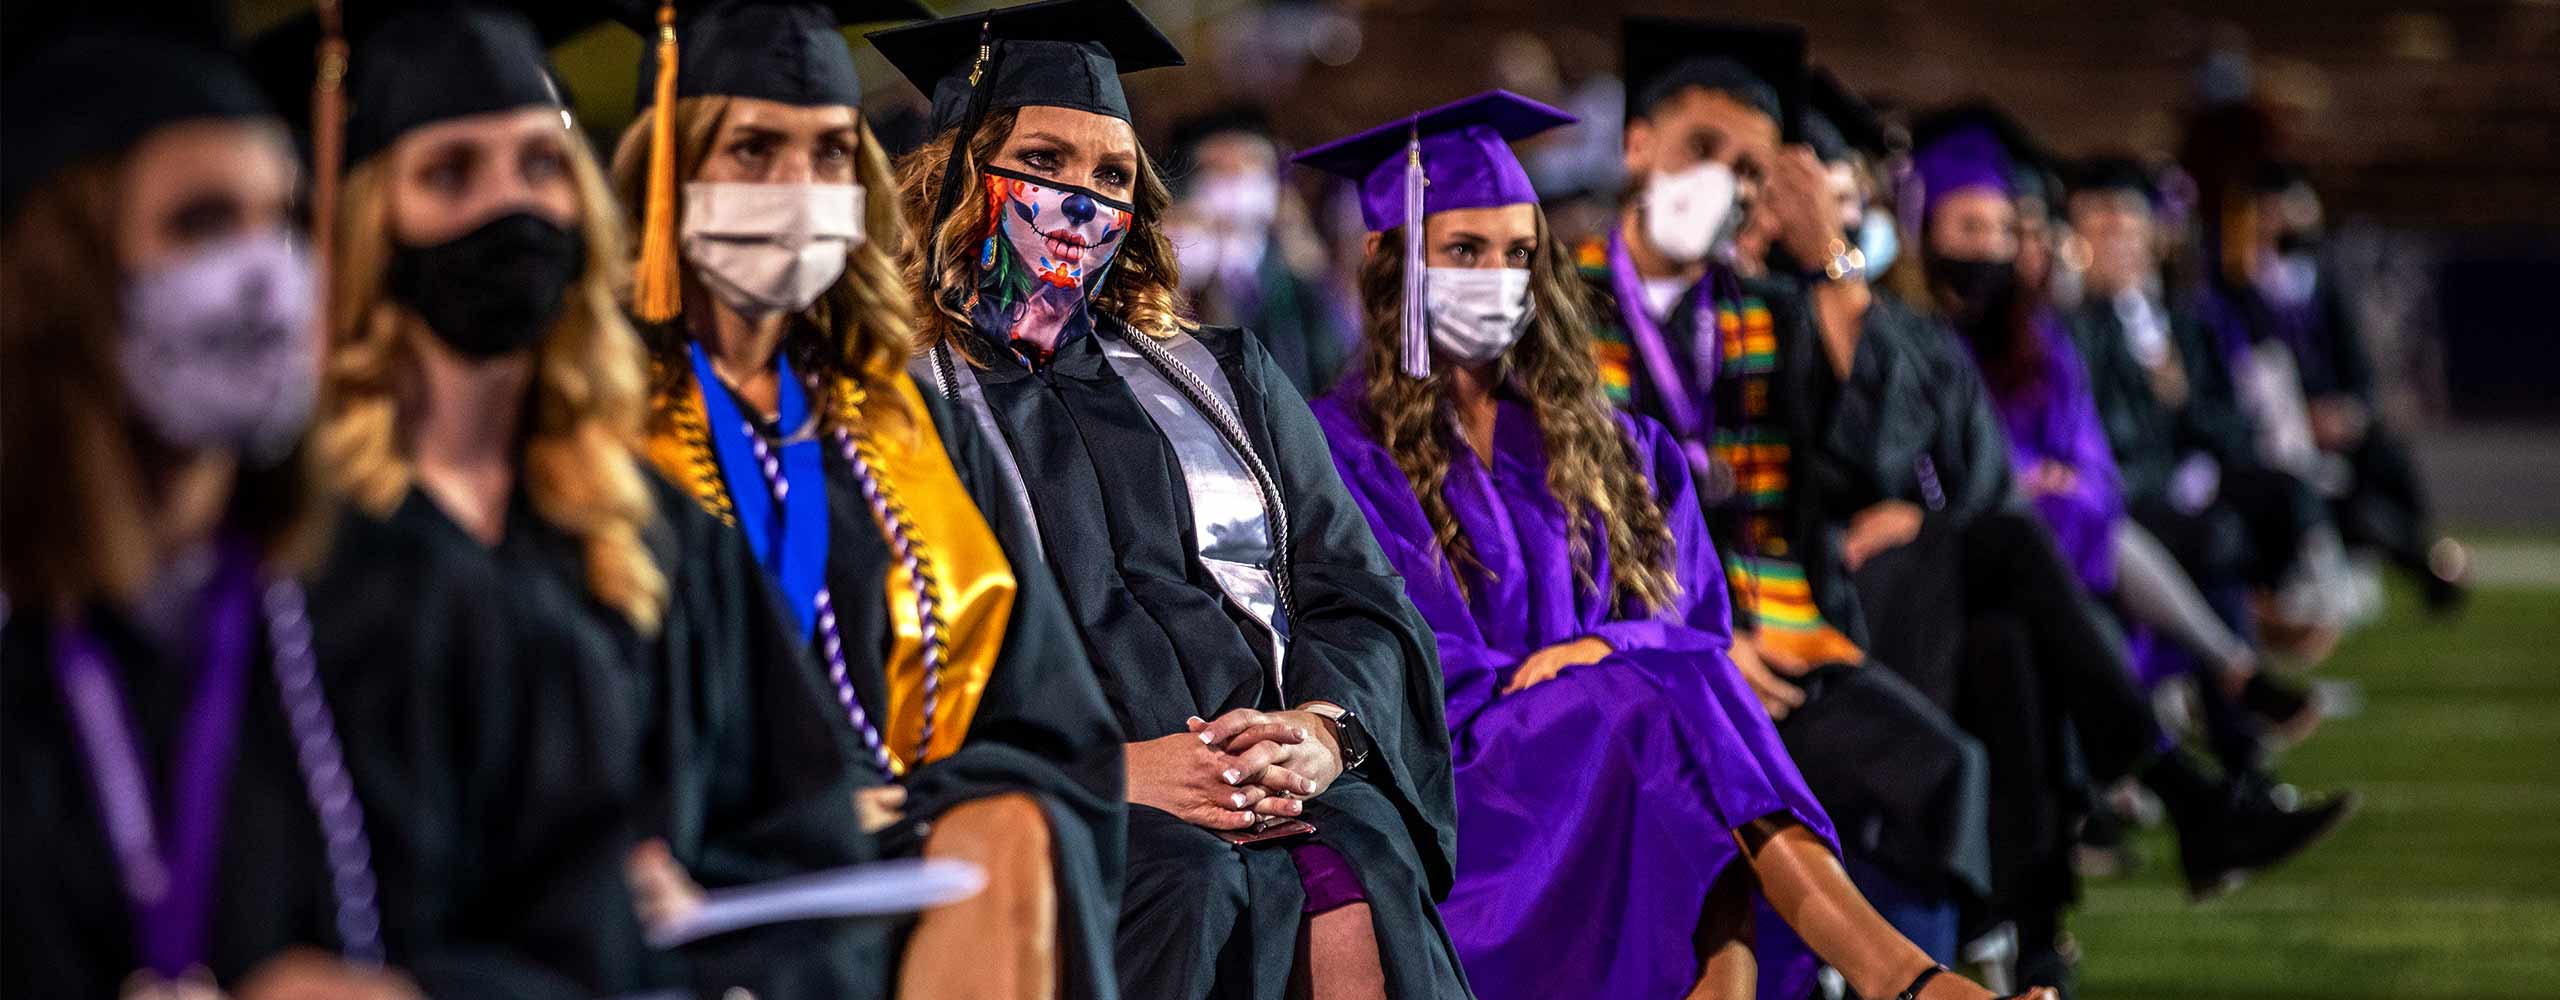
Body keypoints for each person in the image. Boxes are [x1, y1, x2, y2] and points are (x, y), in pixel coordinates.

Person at [1298, 89, 2050, 1000]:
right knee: (1666, 708)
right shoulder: (1338, 452)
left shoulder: (1611, 442)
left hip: (1621, 738)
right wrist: (1604, 670)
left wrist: (1604, 654)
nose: (1497, 277)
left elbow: (1691, 618)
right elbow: (1393, 661)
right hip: (1463, 779)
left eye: (1520, 253)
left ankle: (1892, 981)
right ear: (1387, 259)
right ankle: (1907, 981)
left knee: (1667, 708)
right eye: (1463, 251)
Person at [2, 6, 642, 997]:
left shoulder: (440, 619)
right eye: (202, 223)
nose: (264, 275)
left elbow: (594, 954)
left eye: (288, 222)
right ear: (61, 280)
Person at [869, 2, 1471, 996]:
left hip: (1270, 779)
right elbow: (883, 669)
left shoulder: (1220, 378)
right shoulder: (890, 405)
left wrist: (1322, 731)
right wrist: (1110, 774)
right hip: (1058, 797)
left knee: (1359, 863)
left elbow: (1356, 592)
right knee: (1190, 881)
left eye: (1112, 176)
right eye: (1045, 162)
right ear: (958, 178)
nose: (1081, 200)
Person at [296, 3, 881, 994]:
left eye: (541, 164)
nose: (511, 204)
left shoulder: (654, 534)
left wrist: (701, 923)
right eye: (450, 172)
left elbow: (802, 839)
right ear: (369, 224)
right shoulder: (298, 549)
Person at [602, 2, 1125, 996]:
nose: (798, 187)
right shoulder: (594, 434)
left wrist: (925, 804)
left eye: (830, 153)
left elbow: (1051, 725)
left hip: (913, 859)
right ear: (665, 175)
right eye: (753, 150)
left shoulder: (907, 427)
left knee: (1011, 831)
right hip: (696, 884)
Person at [1581, 17, 1999, 968]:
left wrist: (1828, 256)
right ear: (1637, 146)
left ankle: (1918, 978)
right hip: (1637, 654)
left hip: (1782, 637)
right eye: (1701, 147)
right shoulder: (1561, 304)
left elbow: (1888, 444)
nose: (1720, 180)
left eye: (1747, 167)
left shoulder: (1766, 310)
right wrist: (1693, 639)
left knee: (1940, 769)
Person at [2194, 163, 2467, 612]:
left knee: (2386, 456)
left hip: (2326, 427)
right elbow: (2236, 379)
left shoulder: (2320, 281)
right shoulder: (2224, 290)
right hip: (2269, 434)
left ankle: (2422, 551)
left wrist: (2349, 412)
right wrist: (2301, 420)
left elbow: (2356, 369)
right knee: (2342, 503)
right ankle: (2418, 563)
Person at [1164, 105, 1354, 397]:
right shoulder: (1177, 271)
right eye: (1217, 168)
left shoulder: (1294, 273)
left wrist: (1311, 269)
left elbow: (1334, 360)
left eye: (1250, 164)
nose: (1236, 181)